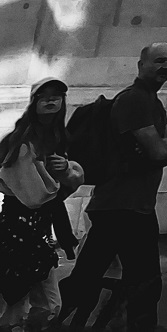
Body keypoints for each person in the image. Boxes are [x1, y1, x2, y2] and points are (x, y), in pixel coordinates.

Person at [54, 45, 167, 332]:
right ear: (141, 65)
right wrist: (166, 145)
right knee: (145, 281)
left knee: (87, 276)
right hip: (126, 207)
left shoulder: (152, 101)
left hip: (121, 206)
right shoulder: (135, 100)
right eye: (159, 61)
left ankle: (51, 316)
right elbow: (162, 153)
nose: (166, 66)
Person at [0, 81, 81, 329]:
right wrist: (63, 176)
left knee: (47, 305)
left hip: (41, 231)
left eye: (56, 96)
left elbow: (56, 194)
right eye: (44, 97)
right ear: (34, 102)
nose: (50, 101)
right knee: (14, 303)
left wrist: (66, 171)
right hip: (17, 228)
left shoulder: (61, 138)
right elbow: (33, 195)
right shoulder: (20, 140)